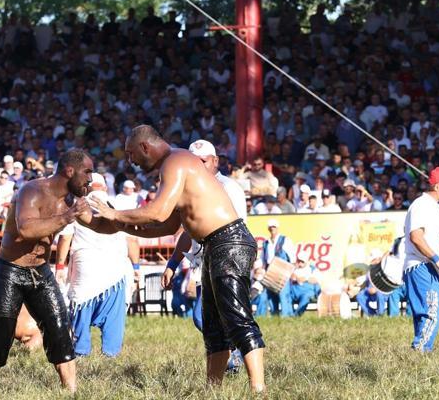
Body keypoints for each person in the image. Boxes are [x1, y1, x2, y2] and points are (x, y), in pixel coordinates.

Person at [81, 126, 265, 392]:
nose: (130, 162)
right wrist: (120, 225)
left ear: (145, 147)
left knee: (237, 319)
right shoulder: (175, 165)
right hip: (214, 245)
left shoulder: (176, 161)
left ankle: (259, 390)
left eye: (132, 154)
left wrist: (116, 215)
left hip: (229, 241)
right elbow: (167, 226)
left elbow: (156, 213)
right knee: (213, 328)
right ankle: (212, 391)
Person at [0, 149, 92, 394]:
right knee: (1, 331)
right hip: (9, 270)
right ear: (69, 171)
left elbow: (99, 222)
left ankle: (71, 392)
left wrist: (125, 219)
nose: (90, 179)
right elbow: (26, 230)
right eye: (87, 172)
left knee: (59, 326)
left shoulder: (71, 201)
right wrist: (67, 217)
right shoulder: (32, 190)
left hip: (40, 272)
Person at [161, 139, 247, 371]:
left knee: (213, 317)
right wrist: (173, 263)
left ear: (215, 161)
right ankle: (231, 360)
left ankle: (239, 358)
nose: (198, 165)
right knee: (209, 320)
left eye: (203, 161)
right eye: (193, 161)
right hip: (203, 262)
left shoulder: (229, 188)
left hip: (226, 256)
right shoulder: (189, 186)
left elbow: (234, 230)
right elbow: (188, 231)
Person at [54, 173, 135, 357]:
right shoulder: (118, 206)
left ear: (86, 188)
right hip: (115, 269)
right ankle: (111, 354)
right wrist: (136, 267)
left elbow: (65, 237)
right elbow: (132, 241)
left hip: (86, 268)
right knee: (114, 317)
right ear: (105, 188)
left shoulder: (77, 206)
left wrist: (60, 266)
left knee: (81, 313)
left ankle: (81, 351)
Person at [403, 167, 439, 352]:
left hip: (422, 265)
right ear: (438, 186)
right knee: (433, 312)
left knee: (424, 313)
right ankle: (420, 350)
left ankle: (418, 356)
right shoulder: (423, 205)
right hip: (423, 266)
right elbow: (416, 237)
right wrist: (437, 259)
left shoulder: (429, 206)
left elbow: (423, 239)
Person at [260, 219, 295, 317]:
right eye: (270, 227)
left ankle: (287, 316)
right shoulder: (266, 242)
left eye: (274, 227)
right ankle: (274, 315)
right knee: (270, 295)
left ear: (277, 228)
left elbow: (292, 257)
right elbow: (263, 259)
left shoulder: (285, 240)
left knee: (284, 295)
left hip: (282, 271)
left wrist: (291, 271)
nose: (272, 229)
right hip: (270, 271)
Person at [387, 236, 411, 317]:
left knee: (413, 296)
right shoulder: (398, 241)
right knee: (392, 293)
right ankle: (393, 318)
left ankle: (410, 318)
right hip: (397, 281)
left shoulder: (418, 241)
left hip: (411, 281)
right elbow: (389, 255)